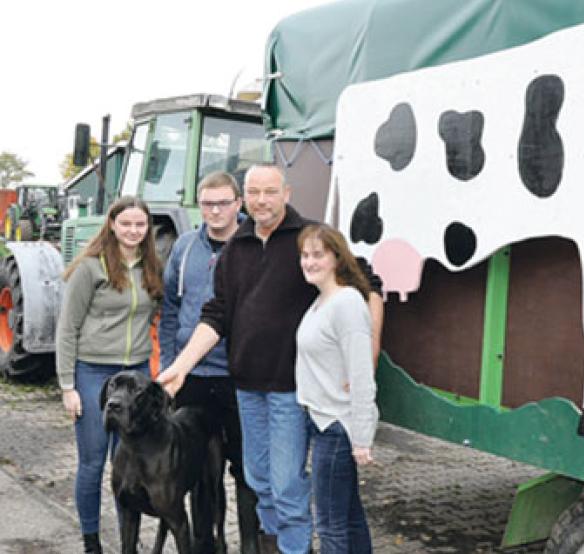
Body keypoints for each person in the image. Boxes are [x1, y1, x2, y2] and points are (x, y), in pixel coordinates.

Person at [157, 163, 383, 554]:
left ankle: (294, 548)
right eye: (255, 192)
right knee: (260, 482)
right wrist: (181, 366)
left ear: (287, 194)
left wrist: (367, 357)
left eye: (270, 192)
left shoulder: (308, 238)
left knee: (287, 488)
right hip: (246, 386)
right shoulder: (237, 247)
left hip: (289, 390)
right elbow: (217, 313)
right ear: (246, 196)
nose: (262, 201)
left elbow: (368, 286)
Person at [159, 171, 261, 554]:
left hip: (239, 377)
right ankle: (205, 544)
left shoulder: (254, 246)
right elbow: (170, 308)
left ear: (239, 203)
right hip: (194, 378)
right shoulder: (185, 247)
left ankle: (251, 542)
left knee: (247, 468)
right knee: (201, 471)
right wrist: (172, 363)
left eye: (223, 203)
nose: (215, 211)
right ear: (198, 205)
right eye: (207, 203)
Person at [56, 196, 163, 554]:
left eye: (140, 224)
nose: (133, 230)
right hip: (94, 373)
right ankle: (91, 541)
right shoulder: (91, 268)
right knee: (93, 460)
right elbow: (67, 328)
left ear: (147, 228)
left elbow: (159, 317)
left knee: (130, 464)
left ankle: (127, 541)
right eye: (126, 224)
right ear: (112, 225)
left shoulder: (152, 267)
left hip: (137, 374)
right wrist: (67, 386)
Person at [296, 224, 378, 553]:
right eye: (304, 255)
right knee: (349, 515)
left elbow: (361, 375)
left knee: (330, 525)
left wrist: (361, 437)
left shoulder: (346, 303)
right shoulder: (320, 301)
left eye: (318, 255)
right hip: (322, 420)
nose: (309, 262)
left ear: (337, 259)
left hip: (337, 427)